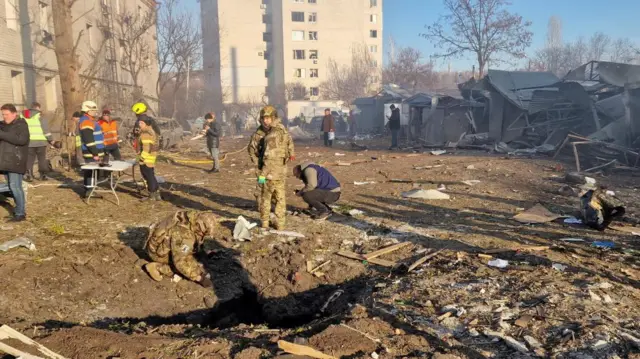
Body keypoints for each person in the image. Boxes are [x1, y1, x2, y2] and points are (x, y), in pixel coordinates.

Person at [247, 105, 295, 230]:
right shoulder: (258, 134)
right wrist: (258, 164)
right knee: (262, 194)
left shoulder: (280, 131)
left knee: (277, 196)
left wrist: (289, 155)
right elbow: (252, 150)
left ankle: (277, 222)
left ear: (273, 118)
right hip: (263, 171)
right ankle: (266, 221)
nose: (265, 121)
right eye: (263, 118)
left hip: (277, 171)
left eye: (268, 118)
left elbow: (289, 145)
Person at [144, 210, 217, 288]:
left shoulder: (192, 217)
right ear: (199, 225)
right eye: (204, 232)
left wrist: (201, 251)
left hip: (161, 242)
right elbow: (180, 262)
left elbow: (196, 238)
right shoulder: (185, 235)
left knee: (195, 260)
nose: (203, 235)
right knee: (182, 269)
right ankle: (157, 267)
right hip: (157, 253)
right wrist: (200, 278)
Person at [0, 104, 29, 221]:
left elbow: (21, 140)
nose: (4, 117)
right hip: (5, 160)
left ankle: (20, 213)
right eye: (3, 114)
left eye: (6, 114)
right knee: (12, 187)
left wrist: (1, 134)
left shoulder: (21, 125)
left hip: (16, 160)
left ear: (14, 114)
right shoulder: (3, 126)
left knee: (15, 186)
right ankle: (18, 210)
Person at [78, 101, 105, 199]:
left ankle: (89, 189)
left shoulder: (89, 120)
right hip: (91, 152)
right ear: (87, 110)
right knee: (91, 171)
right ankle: (90, 191)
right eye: (93, 110)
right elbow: (88, 139)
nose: (95, 112)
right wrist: (95, 153)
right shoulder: (86, 121)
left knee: (92, 171)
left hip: (94, 151)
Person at [23, 102, 54, 182]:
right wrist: (51, 140)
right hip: (41, 142)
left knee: (30, 159)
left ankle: (29, 175)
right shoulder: (40, 117)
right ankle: (42, 175)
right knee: (41, 159)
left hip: (29, 142)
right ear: (37, 108)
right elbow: (46, 130)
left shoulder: (24, 117)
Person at [137, 116, 161, 201]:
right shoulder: (151, 131)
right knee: (151, 176)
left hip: (146, 159)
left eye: (141, 123)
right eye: (139, 122)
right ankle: (157, 194)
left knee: (148, 177)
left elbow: (146, 148)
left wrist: (141, 158)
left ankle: (151, 195)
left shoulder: (146, 133)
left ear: (146, 123)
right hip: (151, 158)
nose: (139, 124)